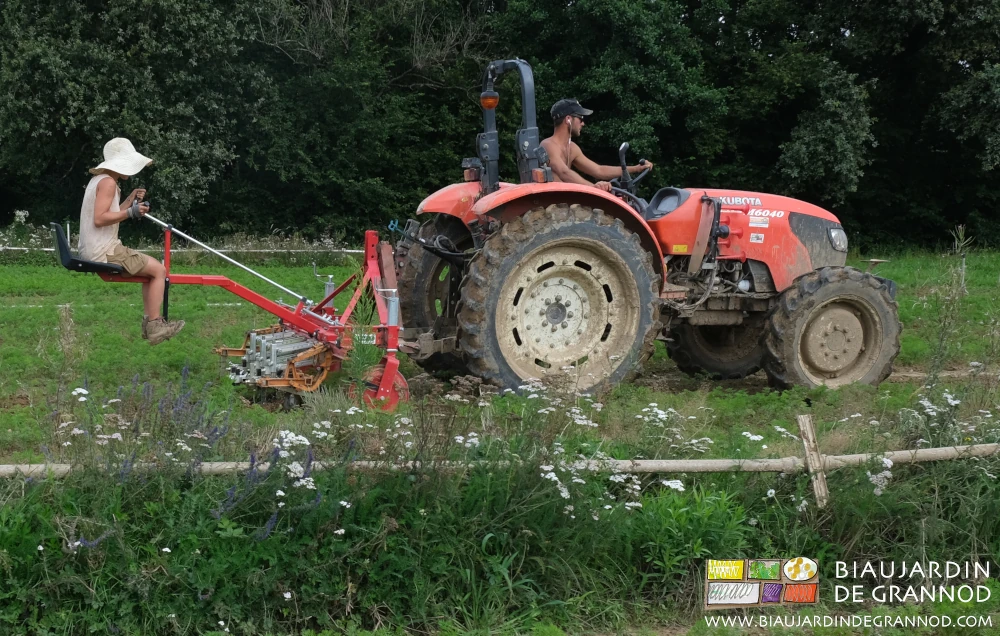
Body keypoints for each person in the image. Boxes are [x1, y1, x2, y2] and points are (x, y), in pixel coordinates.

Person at [79, 137, 184, 345]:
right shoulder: (108, 183)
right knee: (159, 271)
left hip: (95, 248)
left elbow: (111, 213)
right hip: (103, 250)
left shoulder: (100, 180)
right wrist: (132, 212)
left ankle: (150, 324)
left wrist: (130, 201)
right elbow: (100, 219)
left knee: (150, 272)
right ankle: (155, 325)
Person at [540, 98, 653, 192]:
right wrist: (594, 188)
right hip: (553, 205)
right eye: (580, 118)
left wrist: (636, 168)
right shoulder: (548, 145)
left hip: (567, 202)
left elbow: (599, 170)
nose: (583, 123)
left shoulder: (572, 148)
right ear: (568, 119)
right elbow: (564, 172)